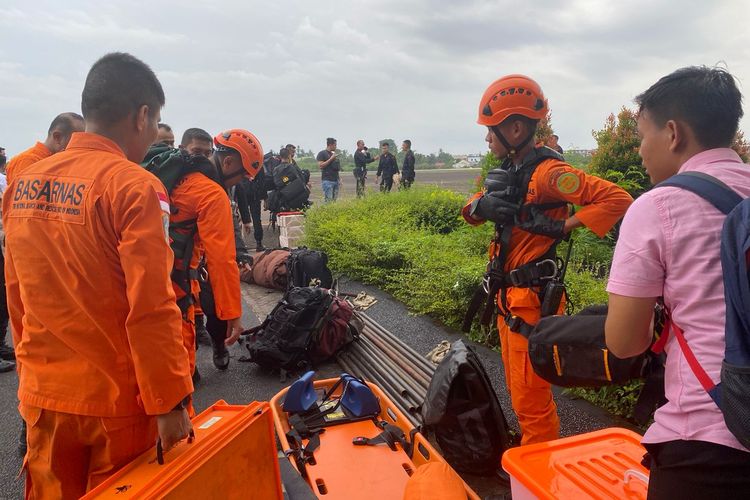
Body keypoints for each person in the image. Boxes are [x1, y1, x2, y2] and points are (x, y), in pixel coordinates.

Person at [4, 52, 193, 498]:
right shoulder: (135, 186)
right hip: (116, 404)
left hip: (42, 396)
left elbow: (15, 293)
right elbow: (152, 303)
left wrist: (30, 373)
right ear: (142, 115)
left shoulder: (22, 184)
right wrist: (169, 400)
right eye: (155, 122)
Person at [462, 74, 632, 445]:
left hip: (530, 302)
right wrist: (479, 204)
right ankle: (533, 465)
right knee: (519, 391)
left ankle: (537, 476)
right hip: (509, 300)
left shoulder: (550, 174)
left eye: (492, 130)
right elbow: (470, 212)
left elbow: (617, 199)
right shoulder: (507, 171)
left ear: (517, 128)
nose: (487, 138)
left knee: (531, 402)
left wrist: (562, 226)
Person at [605, 66, 750, 498]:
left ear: (673, 133)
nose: (640, 152)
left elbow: (625, 342)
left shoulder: (658, 206)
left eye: (642, 137)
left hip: (708, 437)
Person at [5, 112, 85, 181]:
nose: (78, 147)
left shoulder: (58, 161)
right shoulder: (27, 161)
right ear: (57, 137)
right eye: (74, 141)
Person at [317, 137, 341, 202]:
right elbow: (321, 166)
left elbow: (335, 168)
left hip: (336, 180)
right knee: (328, 201)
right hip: (327, 181)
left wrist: (339, 179)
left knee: (334, 201)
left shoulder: (333, 154)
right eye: (335, 145)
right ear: (330, 145)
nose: (336, 147)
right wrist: (331, 159)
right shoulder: (322, 153)